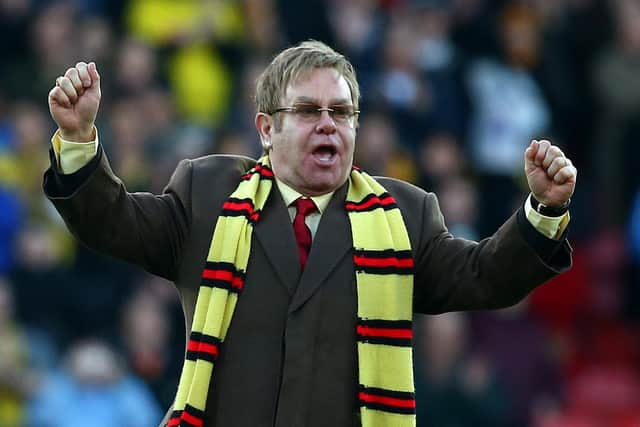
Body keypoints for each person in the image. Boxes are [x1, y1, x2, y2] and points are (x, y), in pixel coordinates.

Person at [43, 41, 576, 427]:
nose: (329, 124)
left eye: (342, 112)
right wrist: (76, 138)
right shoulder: (205, 194)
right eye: (308, 111)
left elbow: (485, 278)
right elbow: (110, 224)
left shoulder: (406, 214)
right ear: (266, 129)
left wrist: (543, 212)